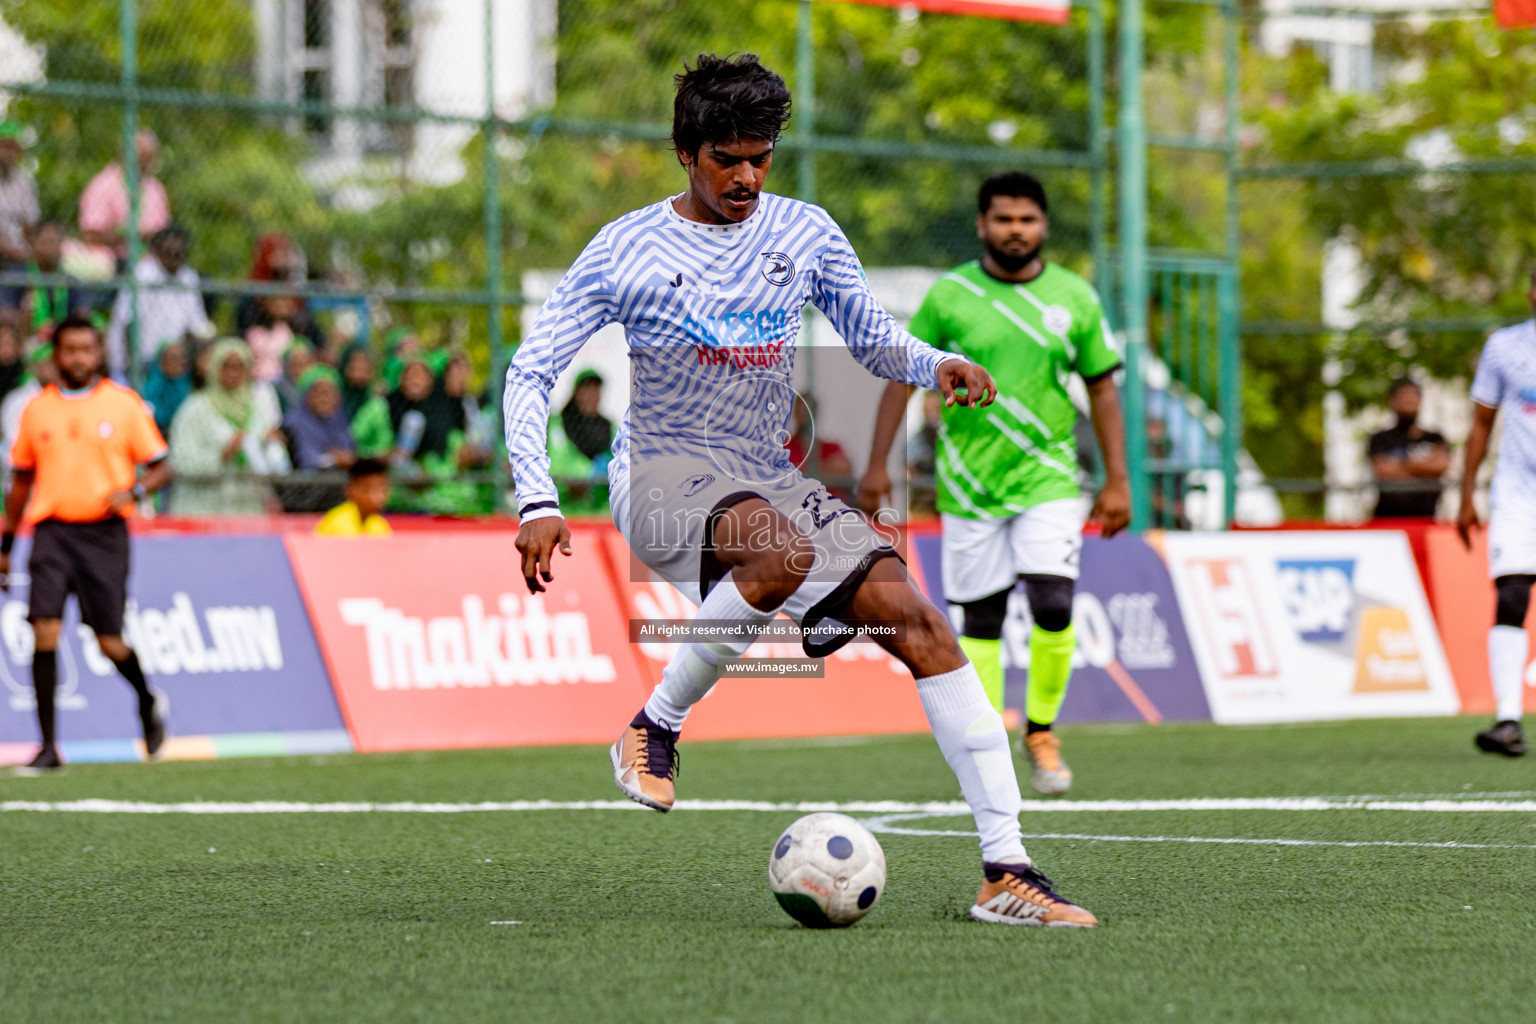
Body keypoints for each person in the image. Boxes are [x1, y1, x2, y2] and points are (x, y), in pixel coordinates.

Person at [505, 53, 1095, 927]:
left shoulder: (806, 233)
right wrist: (538, 500)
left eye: (760, 156)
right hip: (662, 468)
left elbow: (873, 340)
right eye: (726, 159)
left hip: (767, 475)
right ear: (686, 153)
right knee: (779, 553)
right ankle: (654, 725)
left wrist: (939, 366)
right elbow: (531, 369)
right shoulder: (627, 247)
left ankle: (1006, 871)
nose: (746, 176)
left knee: (923, 625)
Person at [857, 171, 1130, 796]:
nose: (1016, 230)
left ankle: (1040, 730)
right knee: (978, 620)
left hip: (1050, 477)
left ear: (1044, 226)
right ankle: (985, 738)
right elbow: (901, 373)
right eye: (1004, 220)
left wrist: (1118, 480)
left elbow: (1103, 389)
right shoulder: (950, 296)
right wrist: (878, 466)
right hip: (970, 482)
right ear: (982, 225)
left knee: (1052, 601)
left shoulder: (1076, 297)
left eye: (1027, 220)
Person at [0, 315, 172, 771]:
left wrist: (135, 491)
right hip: (52, 532)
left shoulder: (123, 404)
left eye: (86, 349)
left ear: (99, 353)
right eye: (69, 349)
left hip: (104, 534)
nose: (78, 357)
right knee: (44, 629)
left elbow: (160, 465)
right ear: (55, 355)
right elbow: (20, 483)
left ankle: (146, 698)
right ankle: (49, 747)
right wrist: (6, 543)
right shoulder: (37, 410)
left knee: (109, 641)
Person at [1458, 266, 1536, 757]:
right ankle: (1508, 718)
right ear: (1531, 292)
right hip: (1517, 494)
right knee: (1511, 593)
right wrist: (1465, 492)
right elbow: (1482, 422)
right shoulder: (1504, 347)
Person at [166, 338, 284, 515]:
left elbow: (265, 467)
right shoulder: (196, 408)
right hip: (203, 511)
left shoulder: (256, 410)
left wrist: (270, 446)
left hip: (247, 511)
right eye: (226, 366)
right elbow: (181, 462)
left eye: (239, 367)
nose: (233, 373)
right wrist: (222, 456)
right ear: (214, 368)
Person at [105, 225, 213, 381]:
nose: (174, 257)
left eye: (179, 254)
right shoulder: (143, 275)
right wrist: (133, 366)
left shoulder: (188, 277)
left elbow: (197, 325)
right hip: (138, 360)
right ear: (157, 251)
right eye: (169, 252)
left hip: (173, 361)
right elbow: (128, 323)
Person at [78, 128, 171, 267]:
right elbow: (91, 235)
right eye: (142, 158)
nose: (147, 165)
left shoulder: (155, 188)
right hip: (113, 262)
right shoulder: (102, 185)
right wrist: (134, 235)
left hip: (152, 262)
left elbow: (164, 232)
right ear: (124, 155)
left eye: (150, 159)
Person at [1368, 378, 1449, 519]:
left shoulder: (1434, 437)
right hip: (1388, 519)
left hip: (1426, 518)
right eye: (1403, 397)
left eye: (1412, 397)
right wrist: (1424, 470)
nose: (1408, 402)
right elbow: (1383, 471)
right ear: (1392, 401)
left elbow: (1441, 465)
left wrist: (1400, 466)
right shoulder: (1380, 439)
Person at [22, 221, 87, 340]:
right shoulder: (19, 276)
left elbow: (81, 313)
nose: (49, 248)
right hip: (28, 339)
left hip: (63, 338)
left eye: (53, 242)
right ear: (33, 244)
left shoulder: (69, 280)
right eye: (44, 242)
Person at [0, 119, 39, 313]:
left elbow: (29, 224)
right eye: (3, 146)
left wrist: (28, 252)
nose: (7, 153)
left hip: (19, 258)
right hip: (4, 254)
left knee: (29, 302)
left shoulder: (24, 182)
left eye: (12, 147)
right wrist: (9, 249)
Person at [284, 365, 356, 471]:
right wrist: (334, 459)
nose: (324, 399)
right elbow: (308, 460)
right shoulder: (293, 424)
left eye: (329, 393)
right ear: (306, 396)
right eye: (317, 393)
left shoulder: (342, 424)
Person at [1, 343, 56, 475]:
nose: (54, 368)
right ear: (37, 366)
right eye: (48, 363)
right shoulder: (18, 400)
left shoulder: (64, 397)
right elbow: (13, 443)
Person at [315, 457, 392, 536]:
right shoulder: (338, 522)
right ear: (351, 489)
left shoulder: (380, 525)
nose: (377, 497)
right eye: (367, 489)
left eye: (382, 489)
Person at [560, 369, 614, 464]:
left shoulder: (609, 427)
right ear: (576, 393)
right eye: (587, 390)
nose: (591, 396)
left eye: (595, 390)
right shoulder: (559, 423)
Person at [141, 338, 192, 437]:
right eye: (172, 357)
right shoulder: (149, 386)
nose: (177, 362)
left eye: (181, 357)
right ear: (161, 360)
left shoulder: (185, 385)